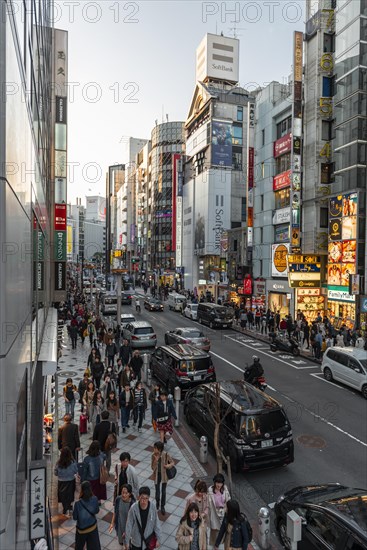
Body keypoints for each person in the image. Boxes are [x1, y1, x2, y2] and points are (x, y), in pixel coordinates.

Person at [124, 486, 161, 550]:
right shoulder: (133, 508)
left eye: (146, 498)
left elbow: (156, 524)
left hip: (148, 541)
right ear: (139, 497)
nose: (144, 501)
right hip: (136, 541)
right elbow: (128, 525)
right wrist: (127, 541)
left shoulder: (152, 508)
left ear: (149, 498)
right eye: (142, 498)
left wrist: (158, 538)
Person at [73, 480, 101, 550]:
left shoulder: (77, 504)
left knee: (79, 547)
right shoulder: (95, 499)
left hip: (81, 530)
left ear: (82, 490)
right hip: (92, 528)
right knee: (94, 547)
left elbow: (75, 517)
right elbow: (97, 511)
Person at [151, 441, 175, 515]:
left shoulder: (165, 454)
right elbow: (152, 467)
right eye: (154, 448)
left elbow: (172, 462)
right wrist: (156, 461)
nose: (154, 450)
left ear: (160, 449)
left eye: (155, 448)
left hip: (164, 475)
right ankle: (157, 502)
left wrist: (168, 466)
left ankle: (162, 506)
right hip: (157, 475)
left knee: (163, 491)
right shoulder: (153, 455)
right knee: (157, 491)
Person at [54, 446, 78, 516]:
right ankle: (70, 508)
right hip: (71, 481)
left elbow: (55, 473)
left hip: (61, 482)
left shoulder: (58, 463)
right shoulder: (73, 462)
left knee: (63, 496)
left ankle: (65, 508)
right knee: (70, 495)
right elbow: (76, 471)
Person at [208, 473, 231, 546]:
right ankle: (214, 544)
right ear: (214, 482)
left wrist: (226, 509)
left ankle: (221, 543)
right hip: (214, 513)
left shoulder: (225, 489)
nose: (219, 485)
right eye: (217, 482)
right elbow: (208, 504)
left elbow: (228, 500)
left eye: (220, 483)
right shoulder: (210, 490)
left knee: (223, 529)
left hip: (223, 512)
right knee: (214, 530)